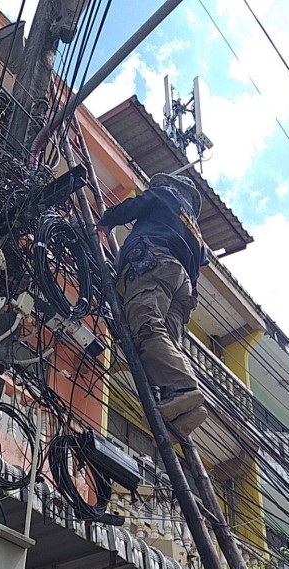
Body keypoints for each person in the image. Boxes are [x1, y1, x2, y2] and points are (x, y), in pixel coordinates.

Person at [97, 173, 208, 437]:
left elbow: (136, 205)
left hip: (154, 263)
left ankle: (184, 389)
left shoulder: (166, 195)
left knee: (146, 328)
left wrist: (105, 221)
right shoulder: (195, 230)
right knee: (166, 342)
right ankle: (180, 408)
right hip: (183, 288)